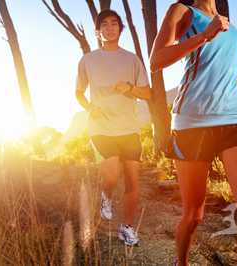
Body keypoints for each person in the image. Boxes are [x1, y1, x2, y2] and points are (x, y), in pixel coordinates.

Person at [149, 0, 237, 265]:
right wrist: (204, 35)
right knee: (193, 216)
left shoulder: (228, 23)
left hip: (234, 119)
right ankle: (182, 262)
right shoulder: (181, 11)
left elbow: (222, 71)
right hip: (192, 123)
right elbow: (156, 61)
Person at [75, 10, 150, 246]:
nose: (109, 28)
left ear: (120, 29)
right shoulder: (88, 60)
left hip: (129, 128)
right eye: (104, 25)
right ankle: (107, 195)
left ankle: (126, 228)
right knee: (111, 174)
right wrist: (88, 107)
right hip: (101, 127)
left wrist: (130, 87)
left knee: (132, 179)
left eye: (114, 24)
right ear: (98, 31)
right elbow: (78, 92)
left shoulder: (132, 59)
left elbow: (147, 93)